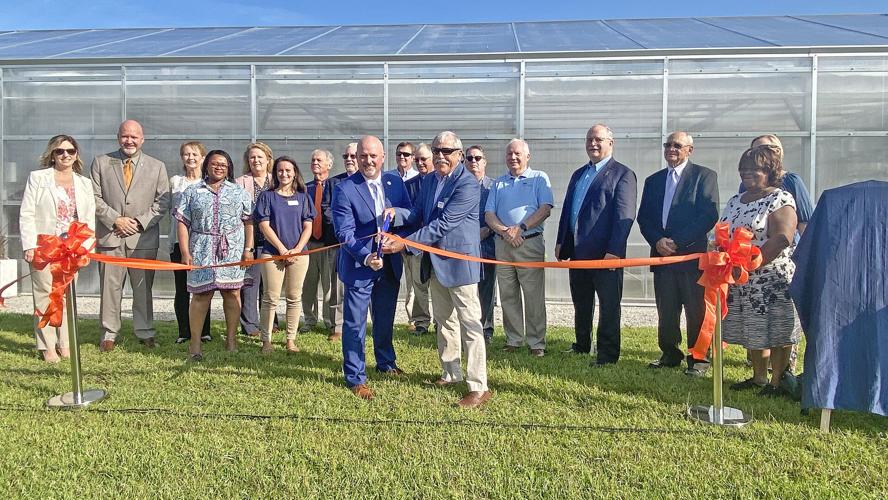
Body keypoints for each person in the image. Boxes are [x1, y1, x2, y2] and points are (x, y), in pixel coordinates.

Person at [384, 131, 491, 409]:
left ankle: (478, 387)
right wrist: (395, 213)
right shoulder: (430, 180)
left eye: (447, 150)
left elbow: (443, 224)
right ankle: (450, 372)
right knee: (444, 321)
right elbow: (419, 214)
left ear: (459, 154)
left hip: (461, 263)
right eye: (437, 150)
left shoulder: (468, 184)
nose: (441, 155)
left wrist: (404, 244)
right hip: (435, 263)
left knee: (470, 324)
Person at [331, 135, 412, 400]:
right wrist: (367, 256)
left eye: (372, 156)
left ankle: (386, 362)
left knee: (385, 316)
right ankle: (355, 376)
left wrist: (396, 220)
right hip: (360, 266)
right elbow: (344, 232)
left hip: (390, 264)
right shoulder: (345, 188)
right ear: (356, 157)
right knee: (355, 324)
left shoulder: (395, 182)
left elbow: (410, 215)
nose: (367, 160)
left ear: (382, 157)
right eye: (362, 155)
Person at [555, 124, 637, 366]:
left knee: (608, 306)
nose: (593, 143)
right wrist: (562, 241)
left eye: (598, 139)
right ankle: (581, 345)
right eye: (589, 139)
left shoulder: (623, 174)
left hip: (605, 254)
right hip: (578, 253)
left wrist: (614, 251)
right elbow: (569, 211)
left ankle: (607, 355)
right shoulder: (579, 174)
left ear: (610, 143)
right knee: (581, 303)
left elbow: (625, 216)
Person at [637, 132, 719, 376]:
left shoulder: (704, 176)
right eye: (668, 145)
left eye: (677, 145)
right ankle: (670, 353)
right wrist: (658, 240)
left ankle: (699, 360)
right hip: (662, 258)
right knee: (667, 311)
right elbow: (644, 217)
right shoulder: (653, 180)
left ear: (689, 150)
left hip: (691, 257)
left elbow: (709, 215)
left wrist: (678, 241)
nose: (671, 149)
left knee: (696, 311)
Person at [721, 145, 800, 397]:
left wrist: (751, 263)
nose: (746, 173)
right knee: (753, 328)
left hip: (772, 278)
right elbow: (723, 231)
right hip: (742, 280)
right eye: (743, 168)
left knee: (777, 329)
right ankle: (758, 378)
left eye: (754, 168)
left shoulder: (780, 198)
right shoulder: (736, 200)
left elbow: (782, 238)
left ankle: (777, 381)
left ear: (770, 171)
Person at [91, 119, 170, 352]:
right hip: (110, 236)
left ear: (142, 139)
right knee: (109, 288)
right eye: (125, 136)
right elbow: (93, 197)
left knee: (143, 288)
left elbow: (162, 201)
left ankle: (145, 331)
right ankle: (108, 333)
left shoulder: (157, 166)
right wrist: (116, 219)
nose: (129, 141)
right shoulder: (101, 163)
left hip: (142, 239)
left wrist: (137, 222)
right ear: (118, 137)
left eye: (134, 137)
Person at [20, 135, 96, 363]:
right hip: (45, 246)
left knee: (67, 295)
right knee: (44, 294)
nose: (65, 155)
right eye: (60, 151)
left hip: (71, 249)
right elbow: (27, 213)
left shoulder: (84, 183)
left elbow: (89, 218)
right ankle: (46, 345)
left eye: (70, 151)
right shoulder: (38, 178)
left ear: (76, 154)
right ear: (52, 154)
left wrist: (86, 248)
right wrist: (29, 245)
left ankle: (65, 342)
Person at [742, 134, 814, 372]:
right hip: (750, 269)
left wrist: (807, 257)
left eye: (771, 148)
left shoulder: (790, 181)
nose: (765, 152)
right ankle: (759, 371)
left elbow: (804, 222)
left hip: (782, 261)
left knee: (781, 320)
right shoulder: (746, 185)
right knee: (756, 321)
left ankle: (783, 373)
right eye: (759, 149)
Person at [174, 150, 254, 360]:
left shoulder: (238, 192)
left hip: (232, 249)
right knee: (201, 295)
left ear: (228, 168)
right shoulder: (192, 191)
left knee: (233, 293)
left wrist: (248, 249)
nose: (219, 167)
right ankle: (195, 343)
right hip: (201, 248)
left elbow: (249, 221)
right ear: (206, 165)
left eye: (223, 165)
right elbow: (182, 222)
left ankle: (231, 339)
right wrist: (185, 252)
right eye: (214, 163)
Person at [484, 139, 554, 357]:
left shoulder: (539, 178)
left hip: (529, 242)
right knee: (507, 294)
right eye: (509, 154)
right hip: (503, 244)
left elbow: (545, 209)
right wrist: (506, 231)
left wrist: (521, 228)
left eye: (517, 154)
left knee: (533, 295)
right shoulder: (498, 183)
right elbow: (489, 215)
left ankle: (536, 343)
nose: (513, 158)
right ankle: (514, 339)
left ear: (527, 156)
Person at [254, 156, 315, 354]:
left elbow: (308, 225)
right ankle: (267, 341)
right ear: (275, 173)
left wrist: (297, 248)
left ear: (295, 172)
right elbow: (264, 225)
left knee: (294, 297)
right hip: (272, 254)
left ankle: (290, 339)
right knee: (270, 297)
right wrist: (281, 249)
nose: (284, 174)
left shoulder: (303, 197)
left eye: (288, 170)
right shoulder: (267, 196)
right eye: (280, 170)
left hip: (299, 255)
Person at [170, 141, 211, 344]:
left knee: (204, 287)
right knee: (182, 289)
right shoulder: (175, 182)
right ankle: (184, 331)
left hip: (204, 244)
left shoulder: (209, 182)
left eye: (195, 154)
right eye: (186, 154)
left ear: (203, 157)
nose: (191, 158)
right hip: (180, 243)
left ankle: (204, 330)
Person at [302, 149, 343, 340]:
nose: (315, 163)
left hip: (329, 244)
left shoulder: (337, 186)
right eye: (313, 160)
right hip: (309, 244)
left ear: (329, 164)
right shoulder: (305, 188)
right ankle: (309, 320)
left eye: (319, 160)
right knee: (308, 285)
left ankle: (331, 322)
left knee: (331, 286)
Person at [235, 142, 275, 338]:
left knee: (270, 285)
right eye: (252, 157)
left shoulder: (277, 180)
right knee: (250, 285)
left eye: (260, 157)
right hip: (249, 242)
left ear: (268, 159)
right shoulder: (240, 182)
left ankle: (270, 322)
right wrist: (247, 247)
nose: (256, 160)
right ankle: (250, 325)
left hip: (273, 241)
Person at [466, 145, 497, 343]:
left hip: (488, 246)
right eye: (469, 158)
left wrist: (486, 230)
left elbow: (500, 214)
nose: (474, 161)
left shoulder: (494, 187)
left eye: (478, 158)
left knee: (486, 290)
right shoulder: (459, 187)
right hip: (464, 248)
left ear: (485, 161)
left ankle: (486, 328)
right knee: (466, 291)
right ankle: (468, 327)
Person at [402, 141, 432, 335]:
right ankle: (421, 322)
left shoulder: (441, 182)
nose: (420, 163)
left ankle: (442, 321)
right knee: (418, 285)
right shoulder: (407, 186)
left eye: (424, 159)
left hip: (436, 242)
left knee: (440, 286)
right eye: (418, 159)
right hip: (413, 243)